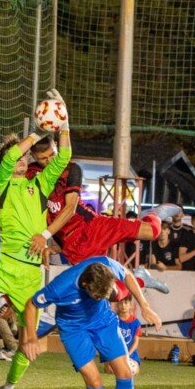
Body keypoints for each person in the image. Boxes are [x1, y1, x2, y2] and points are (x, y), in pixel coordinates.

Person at [22, 257, 162, 389]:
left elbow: (128, 275)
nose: (99, 298)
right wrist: (32, 338)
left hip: (103, 322)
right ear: (86, 285)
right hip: (74, 330)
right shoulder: (61, 287)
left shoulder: (105, 263)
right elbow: (31, 304)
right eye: (97, 295)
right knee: (94, 382)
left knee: (125, 372)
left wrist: (145, 306)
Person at [0, 110, 73, 389]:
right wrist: (37, 131)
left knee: (29, 342)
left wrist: (62, 124)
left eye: (27, 157)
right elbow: (11, 155)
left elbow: (64, 157)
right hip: (2, 266)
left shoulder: (39, 184)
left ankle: (7, 388)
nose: (24, 160)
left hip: (29, 273)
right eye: (20, 156)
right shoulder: (2, 183)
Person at [24, 91, 167, 266]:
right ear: (33, 157)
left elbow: (69, 209)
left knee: (152, 231)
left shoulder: (71, 170)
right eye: (42, 159)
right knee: (100, 284)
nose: (48, 162)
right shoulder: (30, 173)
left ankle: (153, 214)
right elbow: (10, 160)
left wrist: (64, 122)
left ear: (56, 149)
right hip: (70, 245)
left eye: (52, 156)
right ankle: (139, 277)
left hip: (93, 228)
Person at [114, 294, 142, 375]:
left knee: (133, 371)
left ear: (130, 305)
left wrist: (127, 355)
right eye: (121, 303)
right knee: (110, 370)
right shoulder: (113, 320)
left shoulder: (136, 323)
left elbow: (136, 342)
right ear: (117, 304)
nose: (123, 305)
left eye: (126, 303)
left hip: (131, 355)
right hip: (115, 355)